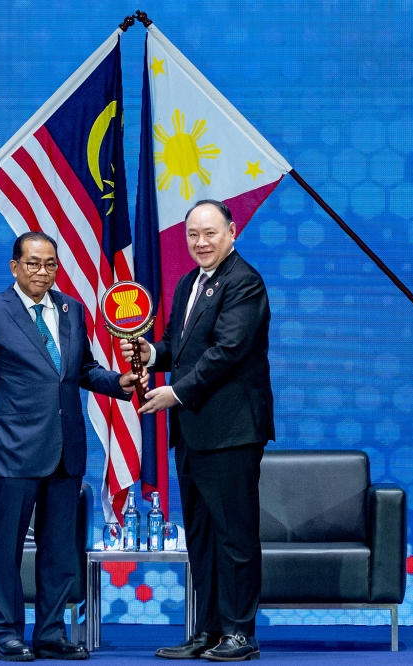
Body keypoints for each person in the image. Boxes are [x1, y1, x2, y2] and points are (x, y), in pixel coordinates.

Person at [0, 231, 144, 662]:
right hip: (14, 450)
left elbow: (83, 369)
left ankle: (50, 634)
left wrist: (118, 382)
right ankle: (6, 634)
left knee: (60, 550)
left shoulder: (71, 310)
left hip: (66, 450)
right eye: (33, 263)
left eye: (50, 264)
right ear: (15, 267)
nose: (42, 272)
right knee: (7, 549)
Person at [123, 200, 274, 662]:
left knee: (234, 536)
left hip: (230, 432)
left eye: (210, 233)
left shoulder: (244, 282)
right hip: (192, 432)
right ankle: (207, 631)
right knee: (202, 538)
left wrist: (175, 393)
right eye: (193, 235)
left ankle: (240, 633)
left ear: (232, 232)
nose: (201, 242)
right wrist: (151, 354)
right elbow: (179, 344)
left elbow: (227, 351)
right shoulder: (190, 282)